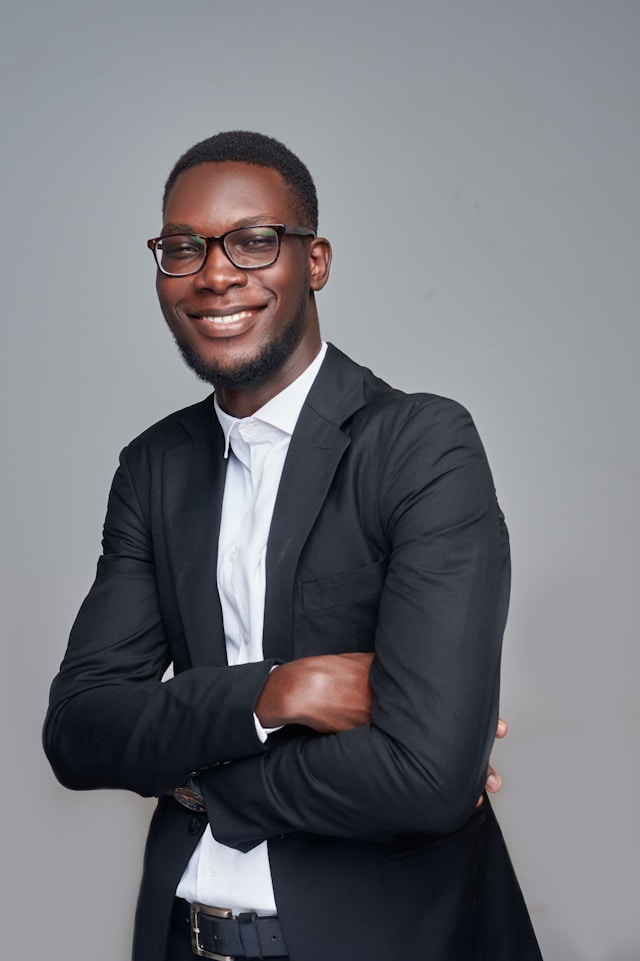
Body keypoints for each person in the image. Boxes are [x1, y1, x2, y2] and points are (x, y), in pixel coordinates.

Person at [44, 131, 542, 961]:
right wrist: (281, 691)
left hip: (385, 941)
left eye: (253, 240)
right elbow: (79, 729)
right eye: (182, 247)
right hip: (184, 939)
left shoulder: (421, 445)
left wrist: (198, 778)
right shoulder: (153, 468)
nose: (214, 273)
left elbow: (426, 777)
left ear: (315, 261)